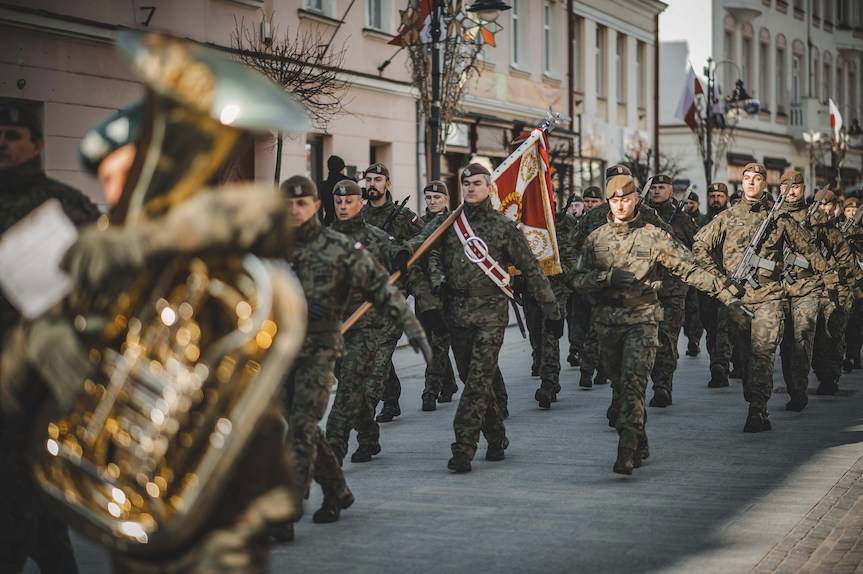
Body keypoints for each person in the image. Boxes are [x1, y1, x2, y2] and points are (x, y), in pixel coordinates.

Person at [570, 171, 745, 474]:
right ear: (608, 202)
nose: (621, 204)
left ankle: (626, 450)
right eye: (614, 199)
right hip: (607, 325)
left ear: (636, 198)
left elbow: (689, 269)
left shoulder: (653, 235)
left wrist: (728, 296)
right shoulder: (595, 240)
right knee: (620, 383)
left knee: (634, 384)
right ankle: (639, 437)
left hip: (643, 319)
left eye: (626, 198)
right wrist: (605, 278)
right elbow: (577, 279)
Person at [0, 102, 98, 574]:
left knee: (18, 496)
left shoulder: (62, 203)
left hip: (39, 376)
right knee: (32, 508)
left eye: (13, 134)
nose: (2, 141)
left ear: (37, 144)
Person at [410, 163, 559, 473]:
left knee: (478, 380)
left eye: (477, 183)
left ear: (490, 188)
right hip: (456, 314)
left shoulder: (504, 228)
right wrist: (429, 303)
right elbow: (416, 249)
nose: (471, 188)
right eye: (466, 183)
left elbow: (531, 270)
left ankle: (463, 447)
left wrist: (552, 310)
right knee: (472, 378)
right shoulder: (448, 223)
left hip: (491, 313)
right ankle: (496, 435)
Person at [693, 163, 832, 432]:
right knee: (744, 354)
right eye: (747, 179)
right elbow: (699, 245)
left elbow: (809, 250)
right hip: (736, 299)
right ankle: (752, 393)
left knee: (762, 353)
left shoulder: (778, 218)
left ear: (764, 184)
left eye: (757, 179)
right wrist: (719, 278)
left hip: (770, 297)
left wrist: (825, 280)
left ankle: (758, 408)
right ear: (741, 183)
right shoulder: (728, 217)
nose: (751, 183)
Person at [324, 178, 429, 465]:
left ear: (359, 203)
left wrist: (402, 258)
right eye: (339, 202)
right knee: (349, 385)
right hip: (336, 326)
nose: (344, 207)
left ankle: (333, 454)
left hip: (368, 325)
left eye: (349, 201)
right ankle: (369, 434)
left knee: (348, 388)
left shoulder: (374, 236)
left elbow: (401, 257)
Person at [361, 162, 424, 423]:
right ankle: (392, 393)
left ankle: (366, 417)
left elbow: (425, 246)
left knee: (379, 351)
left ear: (388, 184)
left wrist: (409, 279)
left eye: (378, 179)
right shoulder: (357, 216)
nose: (372, 184)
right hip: (363, 299)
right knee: (371, 352)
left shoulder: (403, 216)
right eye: (369, 179)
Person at [809, 188, 861, 396]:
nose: (822, 208)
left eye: (827, 204)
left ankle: (831, 375)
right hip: (815, 287)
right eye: (819, 204)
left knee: (834, 333)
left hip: (839, 289)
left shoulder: (845, 230)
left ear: (835, 207)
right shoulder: (809, 228)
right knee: (815, 335)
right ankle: (821, 371)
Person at [418, 180, 459, 410]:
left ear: (446, 199)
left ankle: (430, 390)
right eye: (429, 198)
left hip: (445, 291)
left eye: (437, 198)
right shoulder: (418, 224)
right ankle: (449, 383)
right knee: (430, 341)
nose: (432, 202)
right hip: (423, 292)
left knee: (439, 342)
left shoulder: (453, 223)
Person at [697, 183, 734, 388]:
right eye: (712, 195)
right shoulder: (701, 221)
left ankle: (720, 366)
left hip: (729, 282)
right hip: (706, 284)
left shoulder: (734, 220)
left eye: (720, 195)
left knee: (724, 326)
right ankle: (717, 361)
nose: (716, 199)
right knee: (710, 327)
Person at [318, 155, 351, 225]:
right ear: (340, 168)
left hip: (328, 221)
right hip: (344, 221)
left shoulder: (323, 185)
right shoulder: (347, 182)